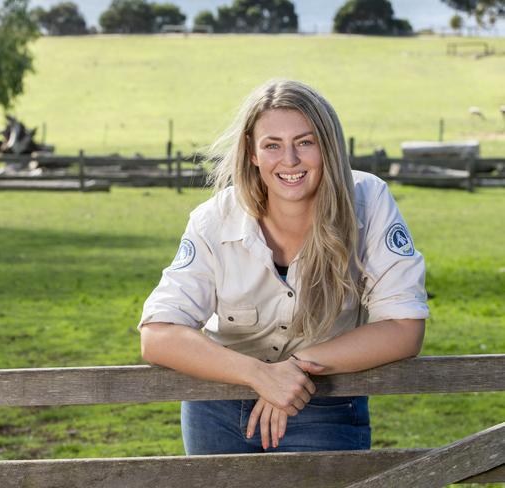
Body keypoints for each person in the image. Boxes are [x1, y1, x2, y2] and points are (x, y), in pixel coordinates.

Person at [138, 79, 428, 455]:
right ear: (252, 152)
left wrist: (292, 372)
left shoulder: (369, 204)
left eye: (305, 142)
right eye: (272, 145)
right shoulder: (214, 219)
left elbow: (405, 328)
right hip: (217, 406)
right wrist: (260, 375)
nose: (289, 160)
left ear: (329, 147)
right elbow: (157, 334)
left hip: (325, 402)